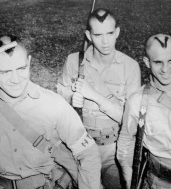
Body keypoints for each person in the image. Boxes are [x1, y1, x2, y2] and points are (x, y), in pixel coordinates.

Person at [0, 35, 103, 189]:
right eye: (5, 72)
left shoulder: (52, 104)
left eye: (21, 68)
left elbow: (88, 152)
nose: (15, 79)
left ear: (29, 62)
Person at [57, 8, 141, 189]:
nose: (105, 41)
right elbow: (58, 101)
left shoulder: (131, 68)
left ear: (117, 32)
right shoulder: (73, 61)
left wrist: (94, 95)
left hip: (115, 152)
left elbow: (130, 122)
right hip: (80, 148)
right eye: (98, 34)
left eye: (110, 33)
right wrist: (71, 98)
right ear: (88, 35)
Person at [117, 33, 171, 189]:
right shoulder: (138, 101)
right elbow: (126, 140)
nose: (166, 69)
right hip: (162, 184)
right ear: (147, 62)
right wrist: (129, 177)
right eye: (158, 62)